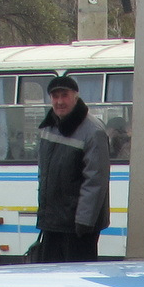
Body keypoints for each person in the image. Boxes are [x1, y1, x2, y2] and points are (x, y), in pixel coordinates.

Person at [30, 76, 111, 262]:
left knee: (77, 282)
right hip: (53, 222)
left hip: (78, 227)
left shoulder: (93, 131)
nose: (59, 101)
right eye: (55, 96)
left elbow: (95, 180)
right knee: (51, 282)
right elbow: (44, 175)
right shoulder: (48, 127)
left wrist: (83, 222)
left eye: (64, 95)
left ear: (75, 97)